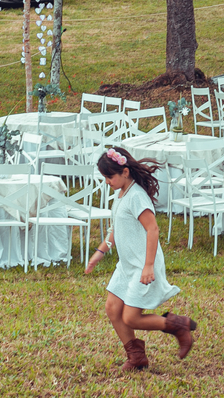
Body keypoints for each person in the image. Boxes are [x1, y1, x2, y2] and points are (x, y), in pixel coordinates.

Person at [86, 146, 196, 372]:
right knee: (112, 308)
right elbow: (117, 228)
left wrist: (148, 266)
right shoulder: (121, 194)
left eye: (109, 176)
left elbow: (153, 229)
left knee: (131, 318)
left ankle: (178, 325)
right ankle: (136, 357)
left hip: (142, 265)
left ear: (125, 172)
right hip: (126, 265)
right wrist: (101, 251)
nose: (107, 181)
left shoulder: (136, 196)